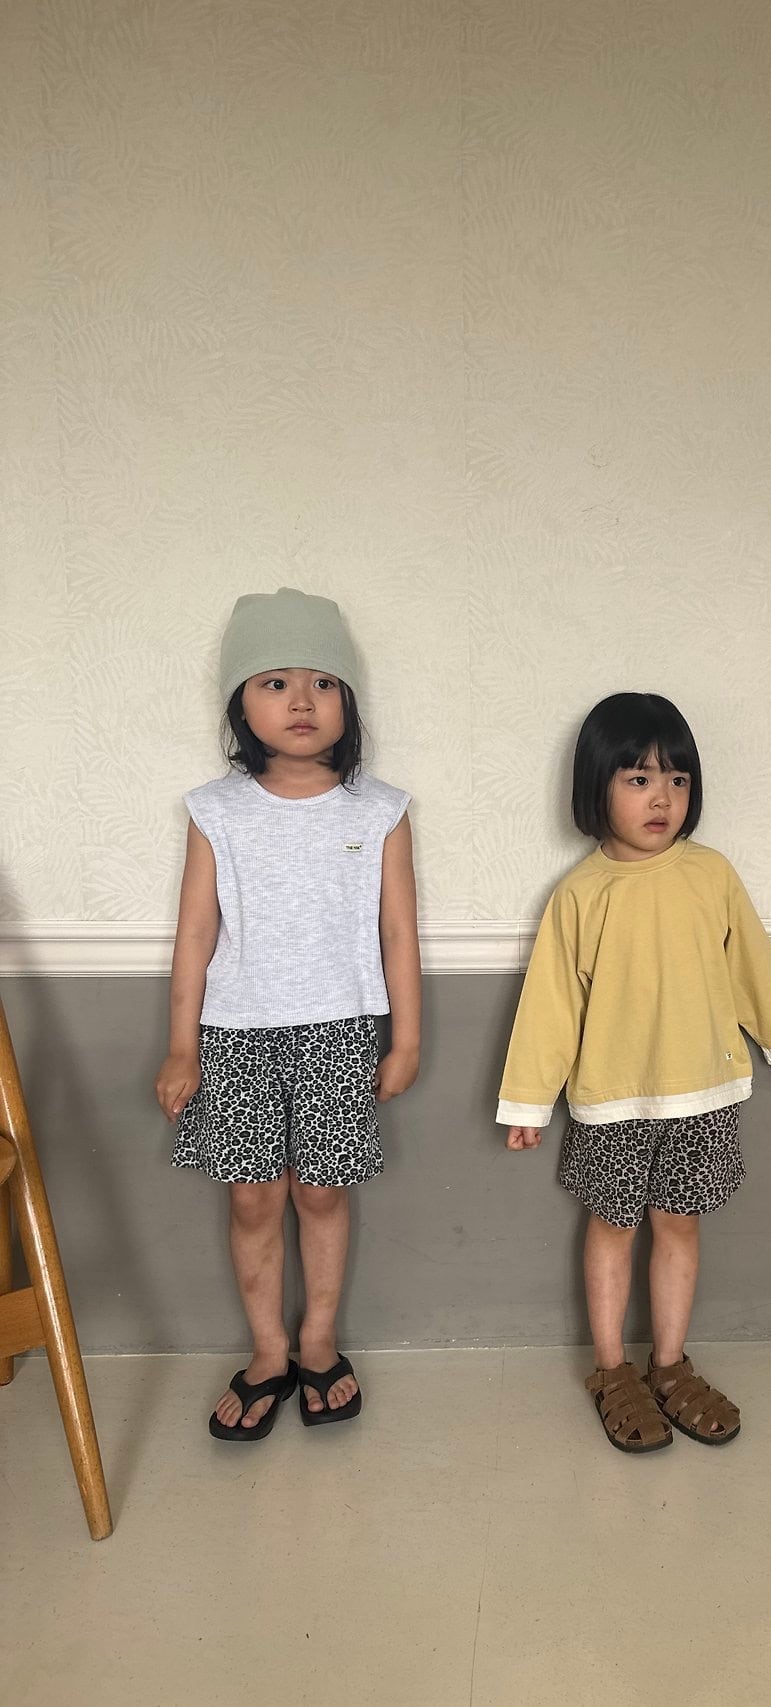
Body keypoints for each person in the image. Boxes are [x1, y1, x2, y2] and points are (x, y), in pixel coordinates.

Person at [500, 692, 771, 1452]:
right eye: (639, 779)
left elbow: (752, 967)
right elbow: (551, 1006)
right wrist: (529, 1102)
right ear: (598, 785)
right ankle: (612, 1371)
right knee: (612, 1226)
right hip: (612, 1101)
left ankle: (670, 1366)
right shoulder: (580, 895)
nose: (661, 798)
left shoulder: (711, 875)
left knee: (680, 1223)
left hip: (702, 1092)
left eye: (676, 780)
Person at [155, 587, 419, 1439]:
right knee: (253, 1198)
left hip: (340, 1031)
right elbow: (196, 933)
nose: (302, 700)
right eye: (275, 681)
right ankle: (268, 1350)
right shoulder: (217, 811)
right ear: (242, 703)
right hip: (234, 1035)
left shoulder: (379, 810)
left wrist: (407, 1038)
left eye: (323, 682)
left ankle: (318, 1341)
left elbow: (398, 933)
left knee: (322, 1191)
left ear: (348, 702)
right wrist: (181, 1047)